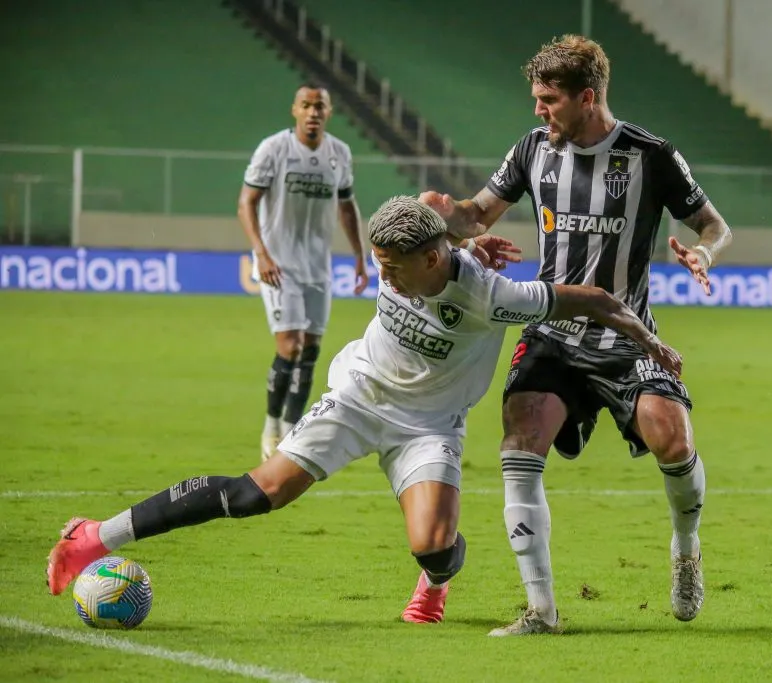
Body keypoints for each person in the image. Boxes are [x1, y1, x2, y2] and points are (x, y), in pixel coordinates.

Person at [46, 196, 684, 626]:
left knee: (433, 547)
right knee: (257, 494)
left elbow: (596, 299)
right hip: (356, 396)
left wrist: (649, 341)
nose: (386, 277)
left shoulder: (494, 296)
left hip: (429, 426)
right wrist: (466, 233)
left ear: (431, 260)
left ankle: (434, 585)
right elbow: (433, 203)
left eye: (394, 269)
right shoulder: (417, 237)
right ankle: (95, 536)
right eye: (382, 265)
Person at [418, 34, 733, 635]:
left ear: (587, 98)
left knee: (672, 439)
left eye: (549, 100)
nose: (539, 110)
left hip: (626, 334)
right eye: (536, 99)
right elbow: (476, 214)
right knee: (520, 440)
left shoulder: (651, 155)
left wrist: (704, 253)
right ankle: (541, 611)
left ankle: (686, 547)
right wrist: (437, 215)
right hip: (553, 329)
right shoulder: (532, 149)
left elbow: (714, 225)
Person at [238, 84, 370, 463]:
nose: (313, 112)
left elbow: (347, 206)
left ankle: (291, 430)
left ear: (329, 112)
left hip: (318, 266)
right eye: (306, 105)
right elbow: (246, 203)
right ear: (294, 110)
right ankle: (271, 426)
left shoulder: (339, 153)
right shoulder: (273, 149)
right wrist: (261, 253)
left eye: (320, 106)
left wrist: (359, 255)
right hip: (278, 264)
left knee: (310, 350)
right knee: (290, 346)